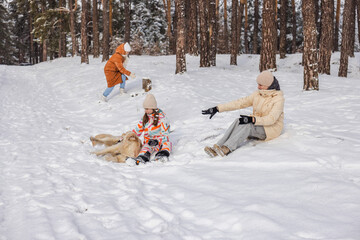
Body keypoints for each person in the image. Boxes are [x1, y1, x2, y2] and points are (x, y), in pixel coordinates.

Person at [202, 70, 284, 157]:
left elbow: (271, 119)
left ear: (268, 85)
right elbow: (240, 103)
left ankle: (227, 148)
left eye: (260, 85)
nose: (258, 87)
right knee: (239, 121)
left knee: (248, 125)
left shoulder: (278, 99)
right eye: (258, 84)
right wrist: (218, 108)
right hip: (258, 123)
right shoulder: (258, 94)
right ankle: (217, 146)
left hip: (270, 129)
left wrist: (252, 119)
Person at [127, 94, 172, 165]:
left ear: (153, 108)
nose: (146, 111)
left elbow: (165, 132)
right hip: (150, 141)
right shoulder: (145, 118)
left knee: (167, 145)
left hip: (160, 140)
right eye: (145, 109)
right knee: (145, 148)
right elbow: (138, 129)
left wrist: (162, 143)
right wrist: (129, 136)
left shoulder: (162, 117)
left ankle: (162, 155)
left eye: (148, 109)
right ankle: (141, 158)